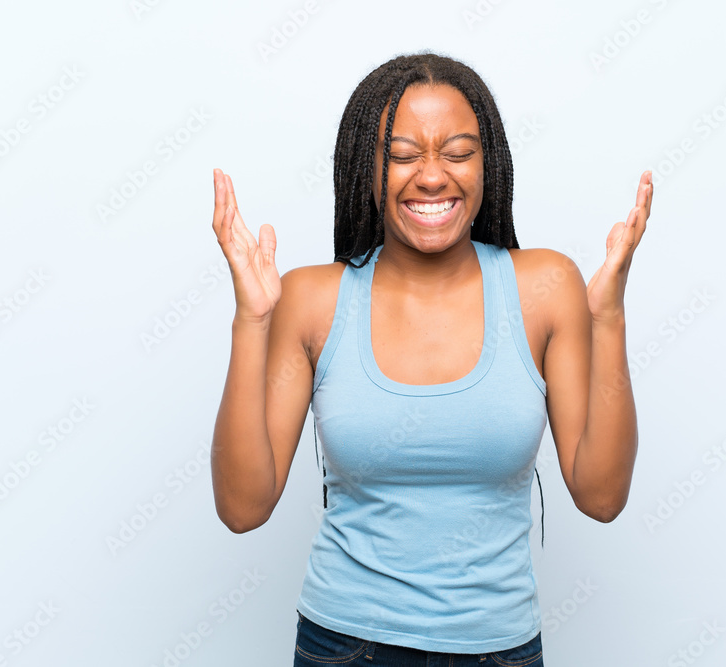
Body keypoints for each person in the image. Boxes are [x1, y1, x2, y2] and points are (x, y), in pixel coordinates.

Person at [209, 51, 651, 667]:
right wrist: (252, 321)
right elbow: (242, 508)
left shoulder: (545, 287)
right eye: (402, 154)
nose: (433, 176)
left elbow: (602, 497)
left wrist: (608, 318)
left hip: (499, 649)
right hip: (344, 646)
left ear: (487, 165)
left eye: (458, 152)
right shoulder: (311, 299)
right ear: (366, 168)